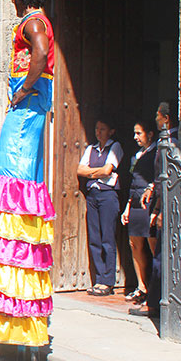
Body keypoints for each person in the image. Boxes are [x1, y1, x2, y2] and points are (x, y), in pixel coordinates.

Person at [0, 0, 55, 361]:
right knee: (15, 183)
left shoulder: (32, 22)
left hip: (26, 112)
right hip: (31, 110)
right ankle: (28, 356)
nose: (9, 0)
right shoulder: (34, 22)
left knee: (14, 181)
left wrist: (24, 90)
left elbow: (40, 53)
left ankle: (33, 358)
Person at [130, 102, 179, 319]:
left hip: (166, 205)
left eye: (158, 116)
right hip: (157, 198)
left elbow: (166, 176)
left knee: (159, 256)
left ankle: (155, 303)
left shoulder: (171, 142)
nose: (157, 119)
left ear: (166, 118)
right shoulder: (167, 141)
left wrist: (158, 207)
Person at [77, 117, 123, 296]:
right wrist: (97, 174)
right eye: (97, 129)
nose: (98, 132)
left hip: (108, 196)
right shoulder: (91, 149)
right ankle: (98, 279)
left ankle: (107, 281)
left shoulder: (115, 147)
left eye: (102, 129)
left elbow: (107, 170)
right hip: (93, 195)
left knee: (107, 238)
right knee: (95, 238)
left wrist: (91, 173)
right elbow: (80, 170)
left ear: (110, 131)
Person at [120, 119, 158, 305]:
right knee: (134, 244)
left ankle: (154, 289)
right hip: (134, 200)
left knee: (152, 245)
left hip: (148, 202)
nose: (135, 137)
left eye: (139, 133)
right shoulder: (137, 155)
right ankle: (141, 286)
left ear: (149, 134)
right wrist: (127, 206)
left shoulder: (157, 152)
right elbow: (133, 181)